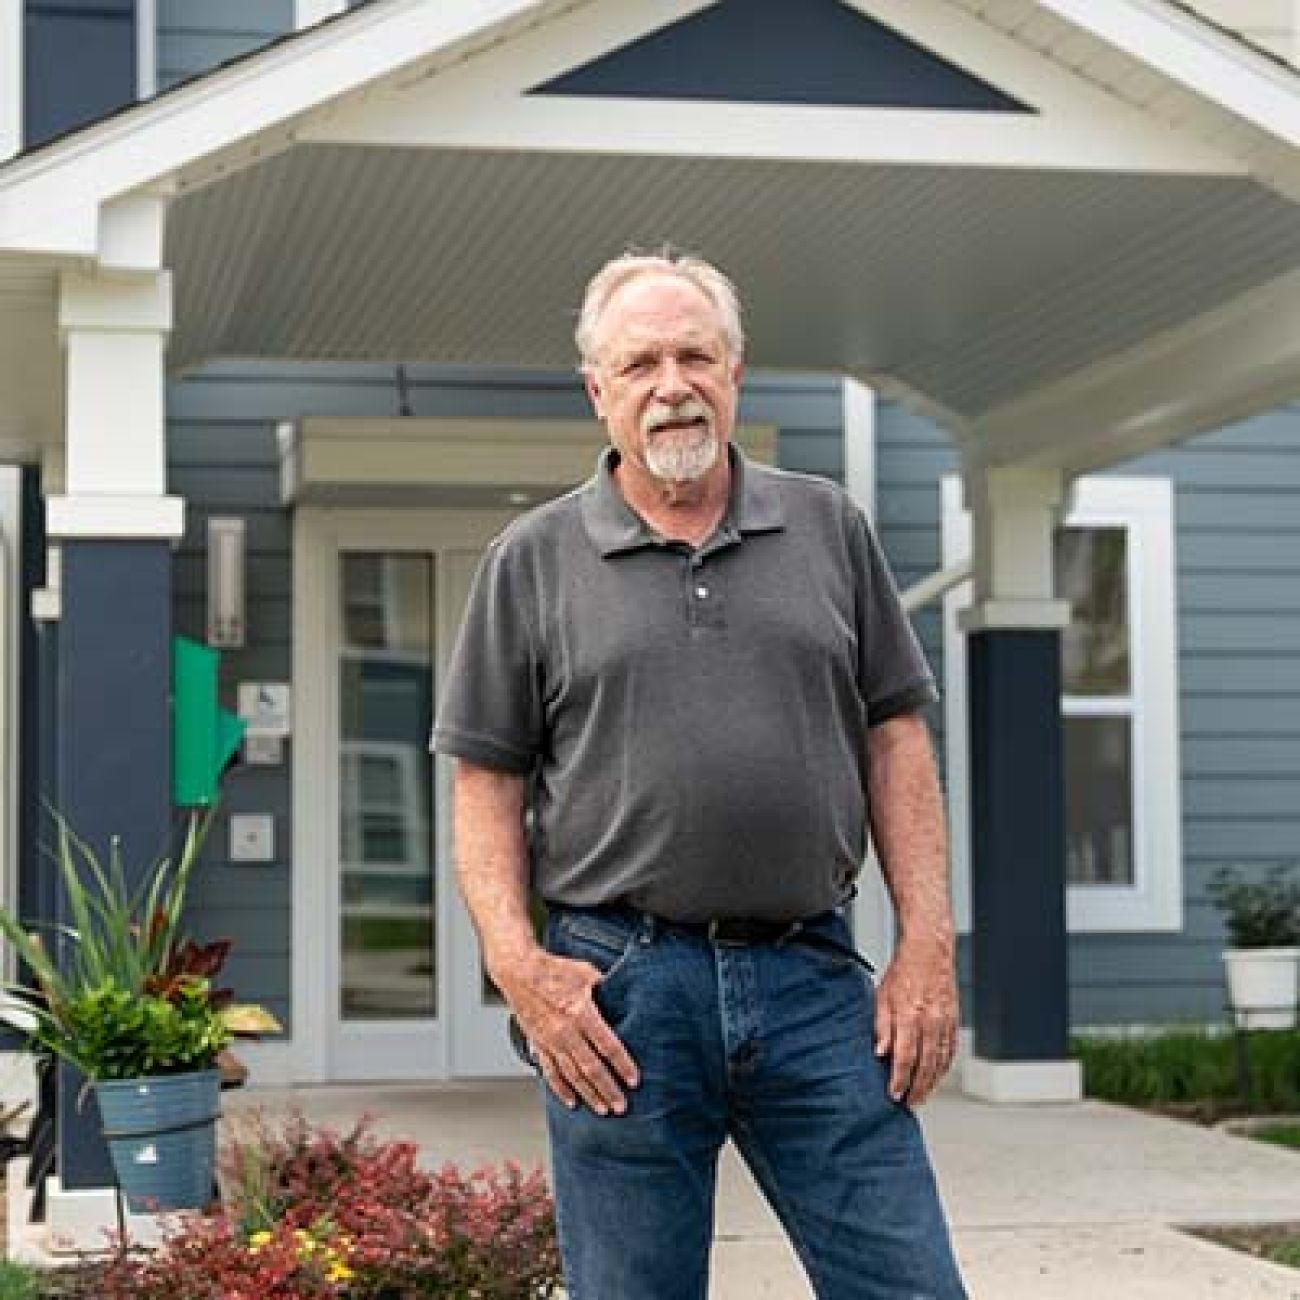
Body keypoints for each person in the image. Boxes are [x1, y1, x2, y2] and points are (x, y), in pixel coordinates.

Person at [433, 251, 967, 1299]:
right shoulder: (530, 558)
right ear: (598, 390)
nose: (670, 385)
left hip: (814, 978)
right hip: (622, 989)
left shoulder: (828, 527)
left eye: (694, 355)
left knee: (908, 1283)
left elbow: (895, 739)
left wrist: (927, 949)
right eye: (638, 363)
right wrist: (519, 966)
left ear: (736, 371)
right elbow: (483, 784)